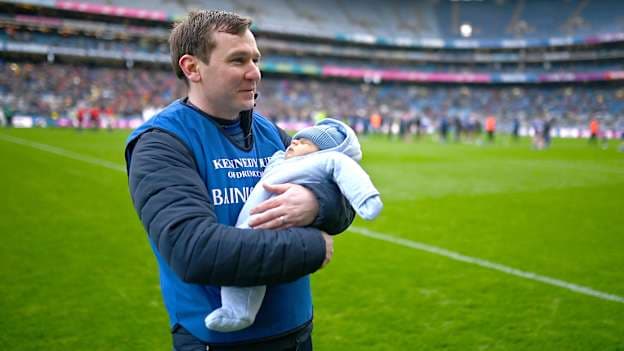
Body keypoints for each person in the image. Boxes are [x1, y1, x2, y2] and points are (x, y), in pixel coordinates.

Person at [124, 10, 355, 351]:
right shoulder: (161, 143)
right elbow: (194, 250)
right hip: (218, 343)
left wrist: (315, 203)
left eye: (256, 59)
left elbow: (342, 196)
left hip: (297, 333)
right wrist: (313, 247)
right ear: (192, 68)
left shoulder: (271, 133)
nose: (254, 73)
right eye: (238, 60)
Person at [205, 118, 383, 332]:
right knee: (246, 258)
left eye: (305, 142)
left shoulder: (322, 158)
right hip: (248, 227)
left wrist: (318, 201)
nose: (295, 142)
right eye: (297, 138)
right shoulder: (280, 157)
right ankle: (237, 311)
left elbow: (347, 178)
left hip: (291, 309)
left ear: (321, 153)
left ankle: (239, 312)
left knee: (253, 262)